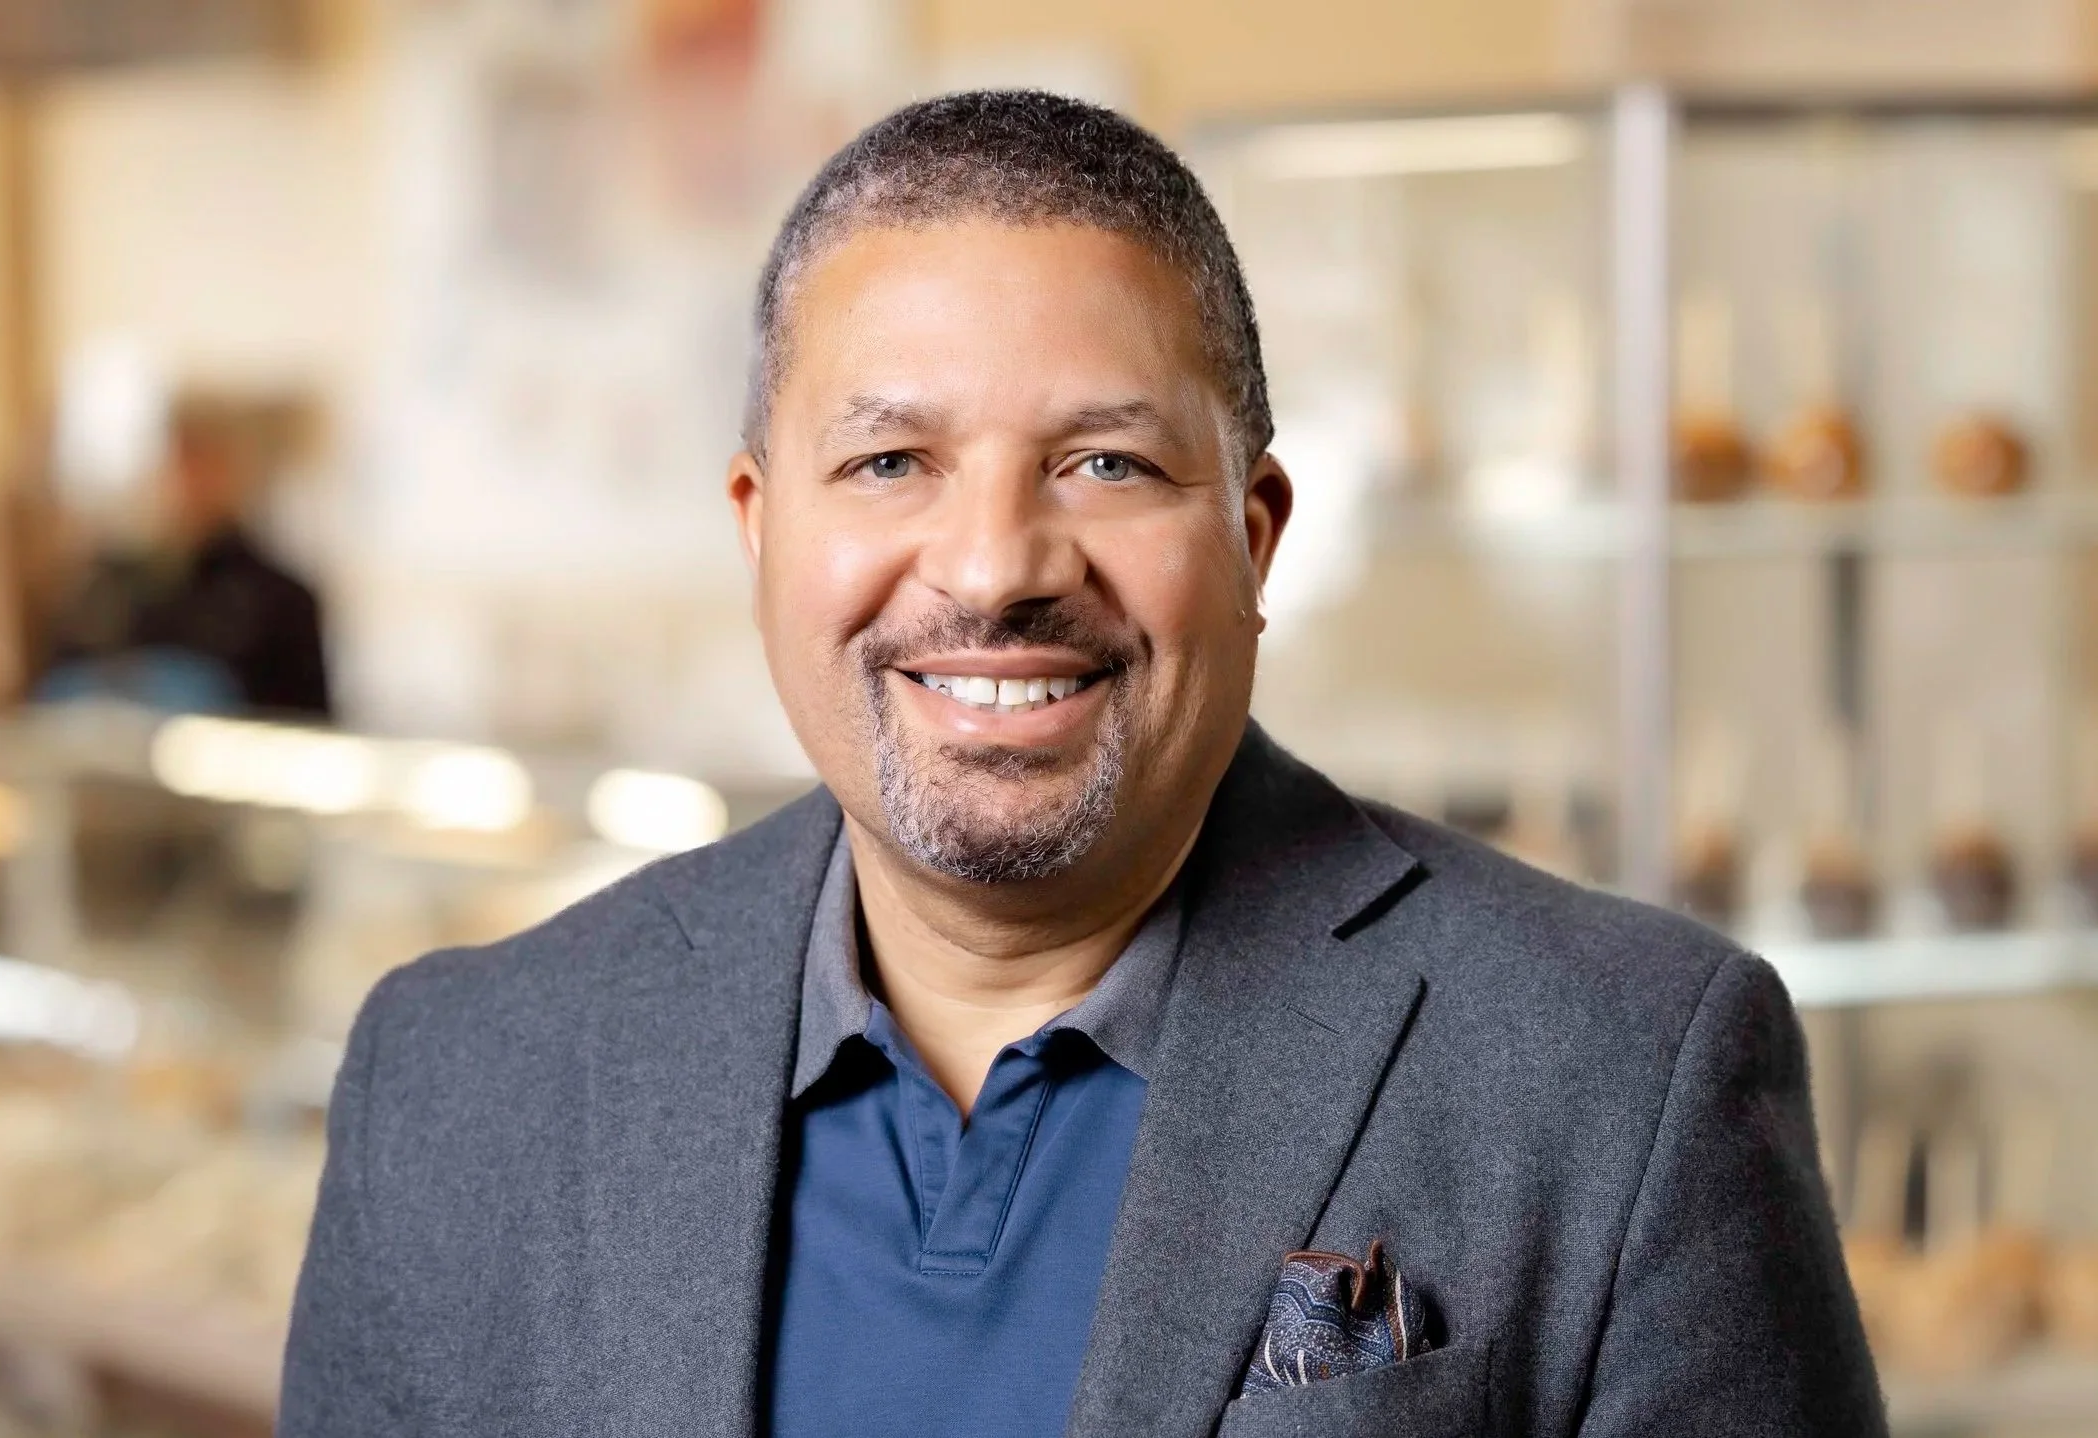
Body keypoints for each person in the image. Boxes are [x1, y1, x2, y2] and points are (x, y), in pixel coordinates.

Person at [280, 92, 1884, 1437]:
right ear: (761, 530)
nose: (992, 568)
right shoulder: (462, 1082)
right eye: (892, 459)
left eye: (1104, 461)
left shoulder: (1621, 1075)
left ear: (1253, 536)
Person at [40, 398, 331, 718]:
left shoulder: (281, 600)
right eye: (183, 461)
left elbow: (305, 726)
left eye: (208, 461)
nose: (191, 481)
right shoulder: (112, 587)